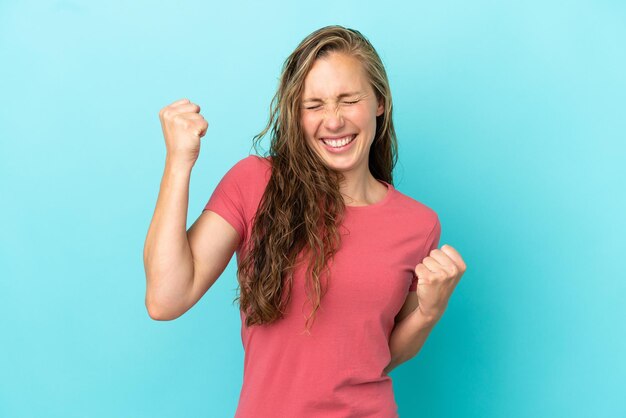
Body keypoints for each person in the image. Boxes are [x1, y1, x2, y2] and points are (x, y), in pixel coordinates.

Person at [143, 25, 467, 418]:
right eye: (314, 106)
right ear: (296, 115)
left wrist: (430, 312)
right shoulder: (253, 183)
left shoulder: (418, 224)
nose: (333, 121)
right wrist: (179, 162)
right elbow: (165, 298)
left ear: (379, 102)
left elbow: (378, 355)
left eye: (348, 100)